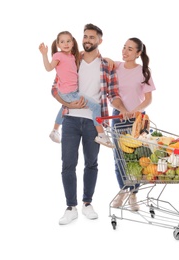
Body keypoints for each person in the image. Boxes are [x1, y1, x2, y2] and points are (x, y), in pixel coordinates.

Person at [51, 24, 128, 225]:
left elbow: (112, 94)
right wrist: (68, 103)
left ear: (99, 40)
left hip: (94, 123)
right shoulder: (71, 60)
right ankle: (71, 207)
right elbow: (54, 88)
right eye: (85, 36)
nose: (87, 39)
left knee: (91, 163)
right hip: (70, 119)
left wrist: (124, 109)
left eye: (92, 37)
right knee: (68, 164)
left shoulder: (106, 65)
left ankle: (87, 203)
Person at [39, 31, 114, 148]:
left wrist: (106, 58)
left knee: (65, 106)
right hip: (68, 93)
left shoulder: (74, 57)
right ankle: (101, 134)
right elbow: (49, 68)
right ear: (58, 44)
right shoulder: (58, 56)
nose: (66, 44)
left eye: (68, 41)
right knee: (96, 107)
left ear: (73, 42)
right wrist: (44, 54)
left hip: (70, 92)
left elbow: (89, 55)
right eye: (62, 42)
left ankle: (54, 130)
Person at [110, 37, 156, 211]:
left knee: (137, 158)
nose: (125, 51)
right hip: (118, 117)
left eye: (130, 49)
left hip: (138, 119)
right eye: (124, 47)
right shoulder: (116, 67)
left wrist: (136, 109)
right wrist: (122, 110)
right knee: (120, 158)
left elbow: (149, 99)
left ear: (138, 53)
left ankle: (133, 194)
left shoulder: (144, 71)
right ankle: (123, 191)